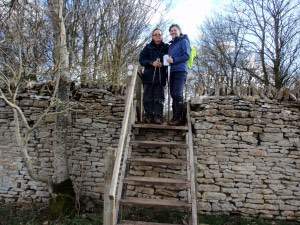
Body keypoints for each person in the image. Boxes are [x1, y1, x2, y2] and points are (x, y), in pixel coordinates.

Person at [139, 28, 169, 124]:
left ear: (162, 36)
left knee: (159, 98)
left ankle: (158, 117)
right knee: (147, 98)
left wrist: (162, 64)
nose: (157, 36)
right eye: (155, 34)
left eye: (159, 34)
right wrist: (152, 63)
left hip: (160, 77)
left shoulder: (166, 47)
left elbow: (169, 60)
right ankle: (148, 116)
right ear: (152, 36)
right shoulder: (147, 47)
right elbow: (141, 60)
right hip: (148, 77)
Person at [167, 24, 191, 126]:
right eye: (171, 31)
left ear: (179, 31)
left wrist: (174, 60)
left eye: (174, 30)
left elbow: (187, 55)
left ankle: (179, 118)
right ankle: (175, 118)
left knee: (177, 94)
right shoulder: (171, 45)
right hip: (172, 71)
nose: (173, 32)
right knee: (173, 94)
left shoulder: (183, 41)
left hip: (181, 71)